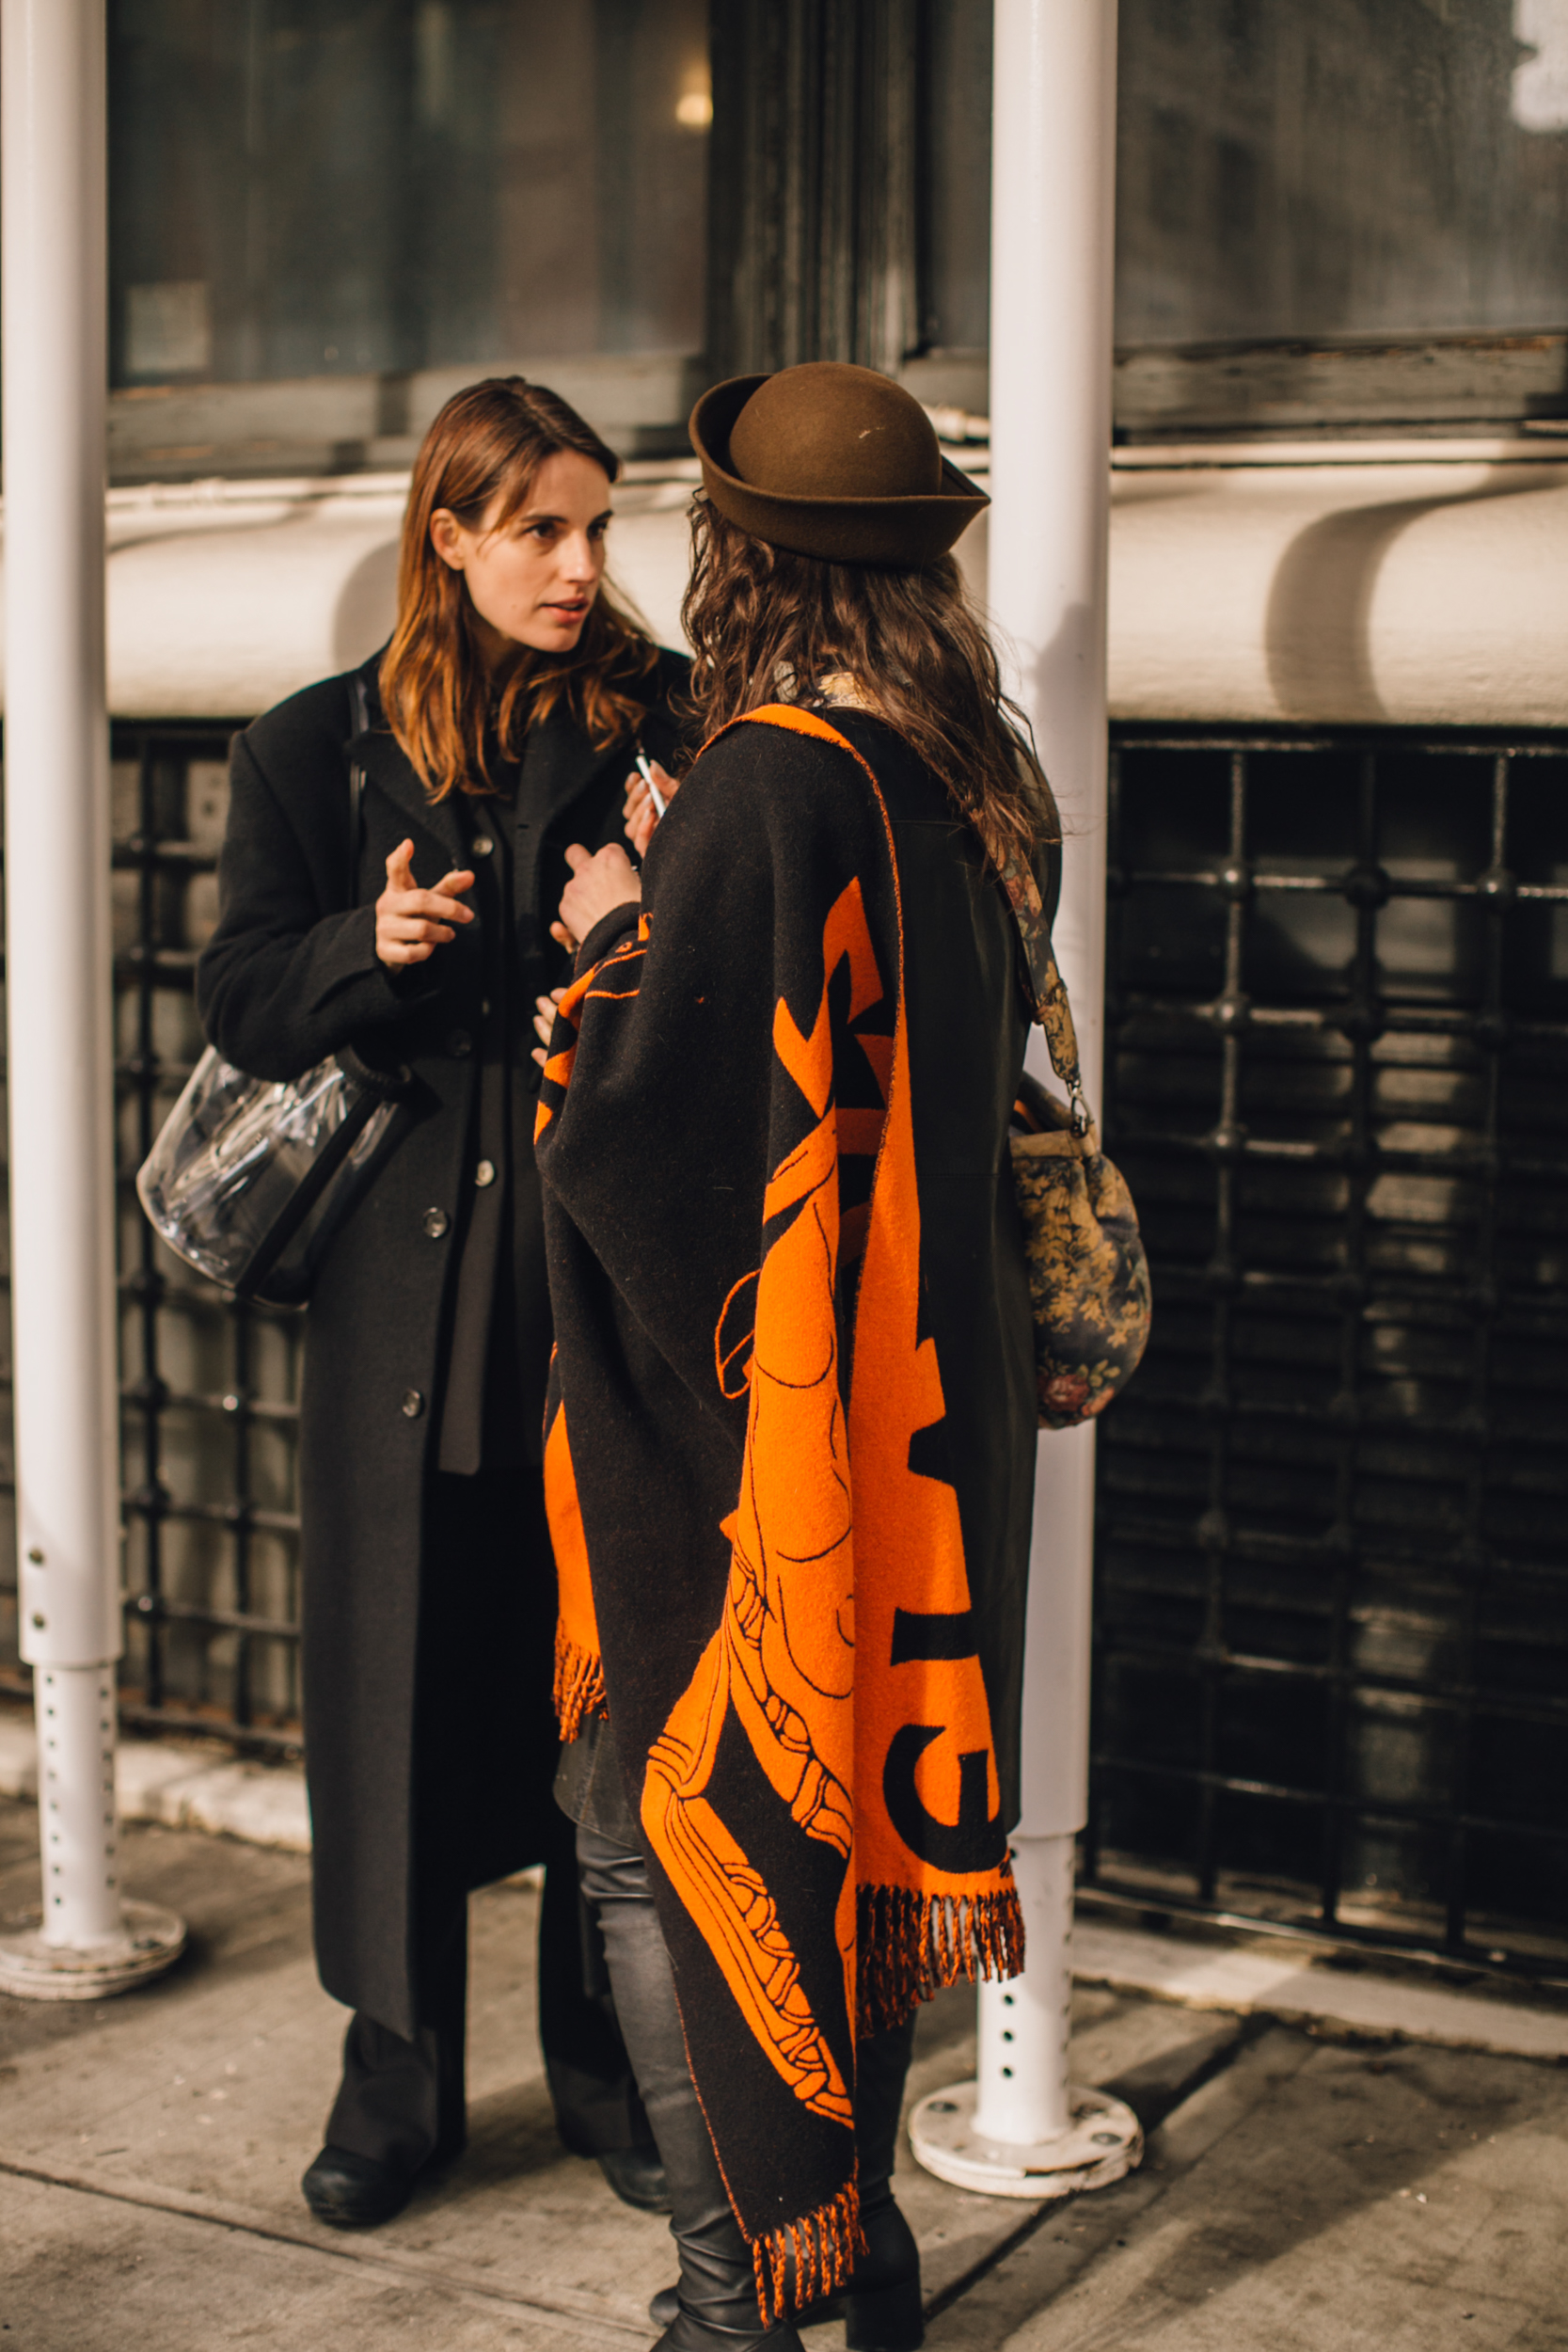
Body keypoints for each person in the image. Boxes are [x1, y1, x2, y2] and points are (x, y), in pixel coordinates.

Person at [531, 362, 1061, 2351]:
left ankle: (736, 2296)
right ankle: (869, 2256)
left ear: (739, 560)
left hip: (780, 1426)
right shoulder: (972, 773)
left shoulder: (766, 777)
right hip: (942, 1392)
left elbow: (651, 1146)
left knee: (660, 1829)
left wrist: (617, 930)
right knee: (858, 1821)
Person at [197, 377, 687, 2229]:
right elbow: (240, 994)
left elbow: (731, 969)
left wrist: (631, 934)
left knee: (596, 1684)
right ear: (451, 534)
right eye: (541, 528)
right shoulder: (311, 748)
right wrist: (367, 947)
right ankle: (396, 2081)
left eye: (597, 526)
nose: (578, 564)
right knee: (396, 1689)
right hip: (402, 1308)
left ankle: (607, 2067)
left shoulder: (663, 721)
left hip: (596, 1286)